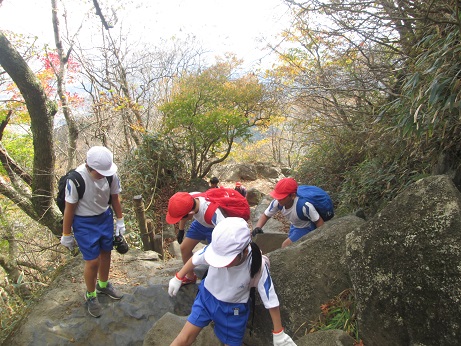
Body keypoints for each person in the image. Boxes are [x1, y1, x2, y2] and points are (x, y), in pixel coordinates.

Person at [168, 217, 296, 346]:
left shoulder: (256, 265)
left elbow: (270, 297)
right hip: (206, 298)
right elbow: (196, 259)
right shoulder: (217, 248)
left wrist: (278, 332)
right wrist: (178, 277)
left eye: (226, 260)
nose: (222, 264)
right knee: (184, 338)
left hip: (232, 310)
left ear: (244, 251)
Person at [60, 146, 125, 318]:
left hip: (104, 217)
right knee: (92, 261)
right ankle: (91, 294)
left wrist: (120, 220)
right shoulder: (76, 180)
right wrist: (66, 234)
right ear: (90, 167)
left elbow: (115, 198)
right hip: (84, 222)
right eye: (100, 172)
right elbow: (69, 208)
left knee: (106, 252)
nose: (103, 175)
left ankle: (103, 285)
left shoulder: (110, 174)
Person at [166, 191, 226, 285]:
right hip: (200, 223)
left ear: (191, 213)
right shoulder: (188, 199)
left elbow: (224, 232)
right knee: (184, 248)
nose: (181, 220)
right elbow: (183, 215)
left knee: (215, 255)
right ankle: (190, 276)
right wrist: (181, 230)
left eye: (183, 218)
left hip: (215, 229)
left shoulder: (213, 213)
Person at [252, 177, 324, 249]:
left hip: (307, 228)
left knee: (285, 245)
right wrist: (258, 227)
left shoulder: (305, 206)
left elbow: (319, 222)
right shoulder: (277, 202)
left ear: (293, 196)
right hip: (295, 226)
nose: (278, 199)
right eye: (277, 196)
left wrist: (319, 239)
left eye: (281, 197)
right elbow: (265, 215)